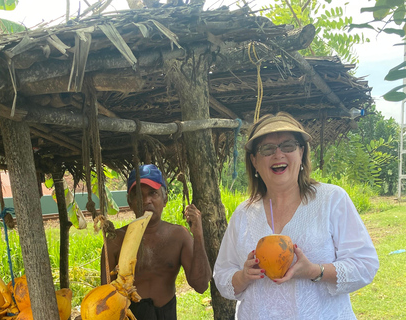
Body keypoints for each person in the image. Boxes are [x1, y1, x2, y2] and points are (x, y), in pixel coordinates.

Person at [213, 112, 379, 319]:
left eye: (288, 146)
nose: (278, 154)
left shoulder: (331, 199)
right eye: (267, 149)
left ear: (301, 153)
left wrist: (315, 271)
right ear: (254, 161)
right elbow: (222, 276)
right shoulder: (244, 213)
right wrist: (244, 276)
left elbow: (365, 264)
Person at [101, 164, 211, 320]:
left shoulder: (179, 236)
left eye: (153, 193)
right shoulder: (115, 241)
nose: (147, 200)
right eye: (139, 195)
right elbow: (104, 296)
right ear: (130, 202)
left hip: (166, 314)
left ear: (164, 199)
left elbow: (201, 285)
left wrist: (198, 235)